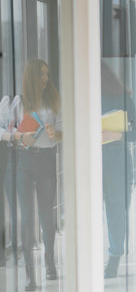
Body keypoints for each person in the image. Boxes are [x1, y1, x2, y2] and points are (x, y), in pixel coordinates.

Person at [13, 59, 62, 291]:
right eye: (42, 75)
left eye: (47, 75)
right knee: (27, 219)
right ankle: (30, 275)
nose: (46, 79)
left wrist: (55, 133)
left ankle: (50, 262)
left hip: (46, 160)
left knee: (46, 214)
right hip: (24, 161)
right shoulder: (18, 103)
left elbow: (63, 133)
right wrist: (21, 136)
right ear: (32, 77)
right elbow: (7, 129)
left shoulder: (53, 102)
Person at [100, 60, 136, 279]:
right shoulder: (84, 99)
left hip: (116, 157)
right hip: (91, 158)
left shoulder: (124, 97)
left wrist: (112, 135)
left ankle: (115, 257)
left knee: (116, 209)